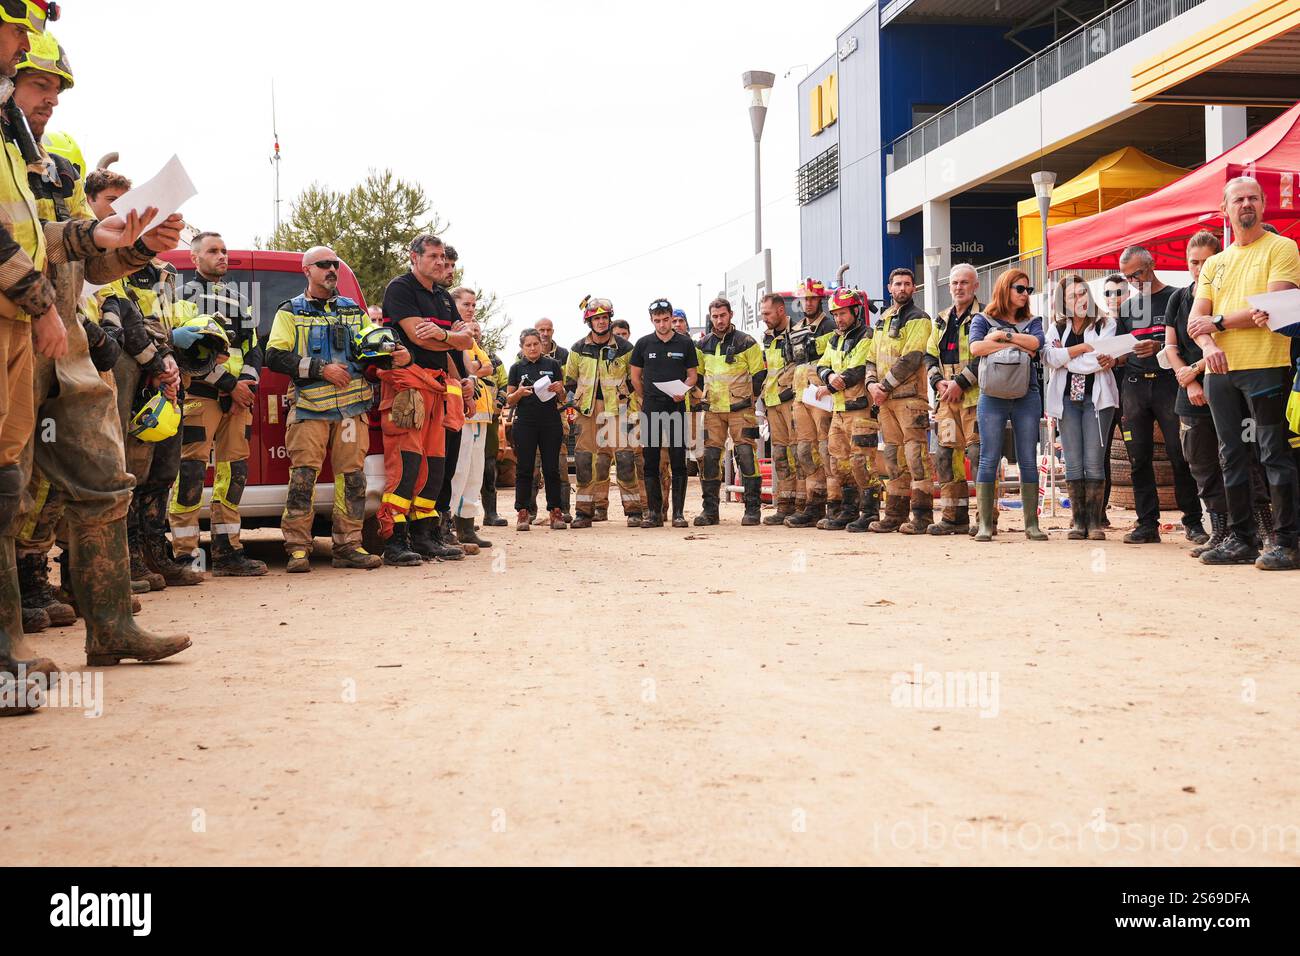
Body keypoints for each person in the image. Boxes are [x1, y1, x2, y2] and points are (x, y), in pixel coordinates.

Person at [0, 5, 191, 715]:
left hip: (66, 347)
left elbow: (82, 265)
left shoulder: (49, 165)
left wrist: (140, 246)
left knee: (106, 485)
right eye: (38, 81)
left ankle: (111, 627)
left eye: (57, 87)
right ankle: (12, 641)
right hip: (18, 331)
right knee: (7, 494)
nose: (50, 97)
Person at [1189, 176, 1300, 569]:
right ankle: (1241, 540)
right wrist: (1210, 345)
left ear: (1264, 205)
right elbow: (1194, 320)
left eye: (1253, 197)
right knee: (1230, 454)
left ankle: (1288, 542)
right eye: (1238, 199)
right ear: (1225, 209)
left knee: (1274, 453)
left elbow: (1270, 309)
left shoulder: (1282, 248)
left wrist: (1216, 322)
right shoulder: (1215, 264)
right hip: (1221, 369)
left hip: (1268, 365)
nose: (1246, 204)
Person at [264, 246, 391, 572]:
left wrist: (388, 354)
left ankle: (348, 545)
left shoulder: (352, 310)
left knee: (352, 479)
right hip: (309, 409)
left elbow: (372, 348)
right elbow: (275, 357)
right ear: (307, 270)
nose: (331, 269)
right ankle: (297, 549)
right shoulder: (290, 311)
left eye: (335, 264)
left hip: (351, 410)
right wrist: (321, 369)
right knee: (303, 478)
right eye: (324, 265)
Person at [169, 231, 266, 576]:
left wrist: (247, 383)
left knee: (233, 472)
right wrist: (227, 383)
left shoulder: (239, 300)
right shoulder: (180, 298)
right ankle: (184, 556)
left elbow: (255, 346)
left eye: (224, 251)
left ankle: (227, 552)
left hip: (239, 400)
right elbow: (184, 352)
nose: (222, 256)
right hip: (201, 396)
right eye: (213, 251)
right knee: (191, 471)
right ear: (194, 259)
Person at [1164, 231, 1265, 558]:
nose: (1199, 267)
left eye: (1206, 261)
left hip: (1228, 386)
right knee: (1202, 465)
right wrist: (1190, 380)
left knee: (1246, 462)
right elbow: (1170, 347)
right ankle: (1219, 531)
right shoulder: (1178, 299)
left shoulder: (1229, 296)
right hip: (1190, 394)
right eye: (1194, 262)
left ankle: (1259, 530)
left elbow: (1232, 342)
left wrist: (1197, 370)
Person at [377, 233, 471, 563]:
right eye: (432, 256)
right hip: (407, 386)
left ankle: (425, 534)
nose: (440, 262)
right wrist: (452, 338)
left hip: (438, 387)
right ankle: (394, 539)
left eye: (442, 257)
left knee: (434, 464)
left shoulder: (444, 297)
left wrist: (447, 339)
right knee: (406, 463)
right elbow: (423, 338)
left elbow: (460, 343)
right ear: (414, 257)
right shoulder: (400, 289)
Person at [1113, 245, 1205, 544]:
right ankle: (1146, 524)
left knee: (1181, 456)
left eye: (1137, 273)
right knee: (1138, 458)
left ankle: (1192, 521)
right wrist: (1114, 356)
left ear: (1152, 264)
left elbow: (1189, 342)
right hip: (1135, 385)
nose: (1134, 281)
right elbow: (1119, 350)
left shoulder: (1177, 297)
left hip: (1169, 381)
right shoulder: (1126, 308)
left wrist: (1159, 347)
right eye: (1127, 277)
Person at [969, 269, 1047, 541]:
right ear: (1005, 289)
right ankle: (985, 524)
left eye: (1028, 289)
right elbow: (976, 349)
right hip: (991, 395)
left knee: (1027, 458)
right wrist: (1016, 342)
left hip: (1027, 394)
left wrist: (1002, 337)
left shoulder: (1034, 321)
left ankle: (1031, 524)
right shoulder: (981, 318)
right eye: (1020, 289)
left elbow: (1036, 344)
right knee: (989, 458)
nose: (1026, 294)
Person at [1043, 275, 1118, 540]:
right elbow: (1049, 358)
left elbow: (1095, 363)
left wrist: (1067, 356)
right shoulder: (1056, 327)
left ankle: (1095, 523)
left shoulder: (1105, 324)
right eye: (1073, 296)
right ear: (1063, 301)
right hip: (1066, 401)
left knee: (1094, 462)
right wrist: (1084, 349)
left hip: (1097, 400)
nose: (1080, 300)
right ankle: (1078, 522)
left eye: (1082, 293)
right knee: (1073, 463)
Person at [563, 296, 642, 529]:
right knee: (585, 460)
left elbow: (634, 378)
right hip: (586, 410)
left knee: (626, 460)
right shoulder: (578, 348)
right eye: (596, 318)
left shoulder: (626, 348)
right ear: (589, 321)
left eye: (604, 318)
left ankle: (634, 511)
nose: (601, 322)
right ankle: (583, 512)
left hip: (617, 409)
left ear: (610, 319)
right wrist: (570, 400)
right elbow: (570, 381)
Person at [864, 268, 933, 533]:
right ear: (889, 288)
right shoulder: (882, 319)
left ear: (914, 288)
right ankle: (895, 514)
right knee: (892, 456)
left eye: (906, 284)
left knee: (915, 455)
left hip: (909, 399)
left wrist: (882, 386)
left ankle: (922, 516)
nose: (902, 288)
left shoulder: (919, 318)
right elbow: (871, 357)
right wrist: (871, 384)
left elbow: (913, 357)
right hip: (885, 400)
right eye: (897, 284)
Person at [813, 287, 881, 532]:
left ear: (855, 311)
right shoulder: (835, 338)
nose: (838, 318)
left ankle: (870, 512)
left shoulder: (866, 336)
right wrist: (829, 375)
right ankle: (849, 511)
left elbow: (855, 372)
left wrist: (830, 385)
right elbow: (822, 365)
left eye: (842, 313)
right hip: (838, 412)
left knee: (862, 462)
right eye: (835, 314)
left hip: (860, 410)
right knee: (840, 464)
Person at [694, 297, 765, 525]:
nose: (719, 320)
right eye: (715, 316)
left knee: (746, 455)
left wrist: (749, 400)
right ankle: (710, 511)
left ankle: (752, 509)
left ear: (731, 315)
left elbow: (759, 375)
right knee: (710, 458)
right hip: (713, 410)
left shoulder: (747, 342)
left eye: (722, 315)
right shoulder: (702, 345)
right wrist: (700, 396)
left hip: (741, 409)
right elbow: (696, 375)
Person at [924, 264, 982, 535]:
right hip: (945, 398)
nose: (959, 287)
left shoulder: (985, 316)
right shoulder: (941, 318)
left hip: (976, 398)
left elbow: (982, 356)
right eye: (955, 283)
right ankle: (954, 517)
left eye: (965, 283)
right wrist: (938, 382)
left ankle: (985, 518)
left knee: (979, 455)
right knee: (946, 456)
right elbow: (929, 355)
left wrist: (960, 383)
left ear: (975, 286)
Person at [630, 299, 698, 527]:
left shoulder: (685, 344)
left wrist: (685, 390)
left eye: (666, 319)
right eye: (657, 320)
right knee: (650, 461)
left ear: (672, 318)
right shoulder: (643, 344)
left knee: (679, 460)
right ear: (652, 321)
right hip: (651, 408)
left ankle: (678, 513)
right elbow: (635, 378)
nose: (662, 324)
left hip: (676, 406)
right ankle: (654, 513)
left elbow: (692, 375)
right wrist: (645, 397)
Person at [785, 278, 839, 528]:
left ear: (820, 300)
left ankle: (835, 503)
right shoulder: (795, 328)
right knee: (805, 451)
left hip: (822, 394)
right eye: (804, 299)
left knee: (828, 449)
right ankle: (813, 504)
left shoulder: (830, 325)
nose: (808, 303)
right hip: (800, 395)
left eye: (812, 298)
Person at [446, 289, 494, 552]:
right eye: (466, 304)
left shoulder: (472, 341)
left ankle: (467, 527)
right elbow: (473, 369)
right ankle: (447, 526)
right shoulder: (454, 337)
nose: (471, 309)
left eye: (474, 305)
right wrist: (475, 369)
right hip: (462, 413)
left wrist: (476, 369)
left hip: (481, 414)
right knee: (459, 470)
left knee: (475, 473)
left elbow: (487, 367)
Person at [507, 328, 567, 529]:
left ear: (541, 345)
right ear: (522, 347)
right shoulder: (516, 368)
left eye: (535, 344)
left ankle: (556, 511)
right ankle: (523, 512)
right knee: (525, 469)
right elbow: (509, 398)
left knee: (552, 468)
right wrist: (519, 393)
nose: (532, 348)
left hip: (550, 422)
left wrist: (560, 390)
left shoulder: (553, 365)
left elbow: (563, 397)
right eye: (528, 345)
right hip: (525, 423)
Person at [759, 294, 801, 525]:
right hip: (773, 403)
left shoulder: (797, 335)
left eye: (767, 313)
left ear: (781, 311)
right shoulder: (767, 337)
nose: (764, 318)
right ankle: (784, 506)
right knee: (780, 456)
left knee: (798, 454)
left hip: (792, 402)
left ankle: (803, 505)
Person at [525, 317, 571, 523]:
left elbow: (567, 387)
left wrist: (561, 392)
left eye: (548, 329)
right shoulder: (522, 356)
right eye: (540, 330)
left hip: (556, 416)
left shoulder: (563, 355)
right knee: (531, 466)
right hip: (530, 418)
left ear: (553, 331)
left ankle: (562, 509)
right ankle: (530, 510)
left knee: (558, 465)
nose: (544, 333)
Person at [1098, 273, 1129, 522]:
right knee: (1102, 451)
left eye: (1119, 292)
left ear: (1128, 294)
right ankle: (1100, 513)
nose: (1113, 298)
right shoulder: (1099, 325)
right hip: (1106, 393)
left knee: (1137, 453)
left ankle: (1146, 518)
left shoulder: (1136, 320)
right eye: (1109, 293)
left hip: (1130, 394)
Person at [479, 342, 509, 528]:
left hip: (489, 420)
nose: (473, 333)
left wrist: (499, 402)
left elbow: (504, 384)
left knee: (489, 468)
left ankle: (491, 513)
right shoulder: (458, 354)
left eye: (476, 329)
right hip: (464, 421)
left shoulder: (493, 359)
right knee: (462, 470)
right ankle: (459, 519)